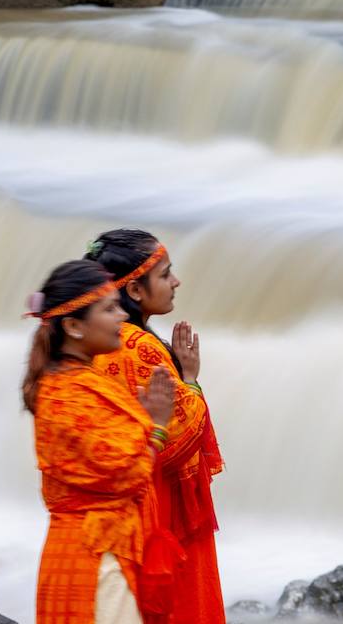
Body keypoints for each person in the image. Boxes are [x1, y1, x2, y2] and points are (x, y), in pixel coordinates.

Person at [23, 259, 182, 624]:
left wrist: (143, 423)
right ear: (74, 326)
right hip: (93, 557)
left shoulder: (77, 383)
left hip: (100, 546)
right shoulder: (66, 395)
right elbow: (126, 472)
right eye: (109, 309)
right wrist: (156, 426)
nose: (122, 318)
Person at [86, 231, 226, 624]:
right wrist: (193, 379)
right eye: (166, 275)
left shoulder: (102, 342)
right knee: (177, 600)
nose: (176, 282)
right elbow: (179, 436)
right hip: (158, 499)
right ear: (134, 288)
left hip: (118, 501)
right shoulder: (140, 347)